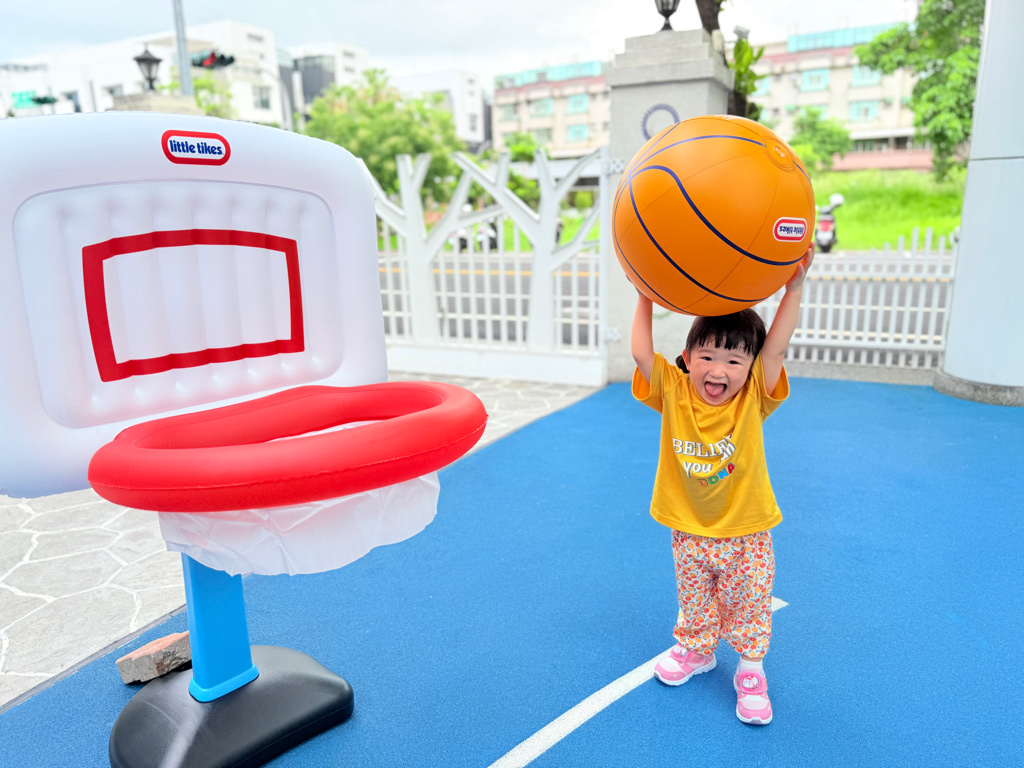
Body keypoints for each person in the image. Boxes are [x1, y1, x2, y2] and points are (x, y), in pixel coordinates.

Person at [630, 246, 814, 726]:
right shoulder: (673, 390)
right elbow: (641, 353)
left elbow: (776, 348)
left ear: (751, 368)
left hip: (745, 532)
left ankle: (750, 671)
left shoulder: (753, 397)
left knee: (749, 603)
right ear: (687, 358)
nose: (718, 370)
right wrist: (645, 295)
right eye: (707, 356)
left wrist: (794, 289)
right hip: (688, 527)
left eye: (734, 360)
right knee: (694, 599)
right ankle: (698, 650)